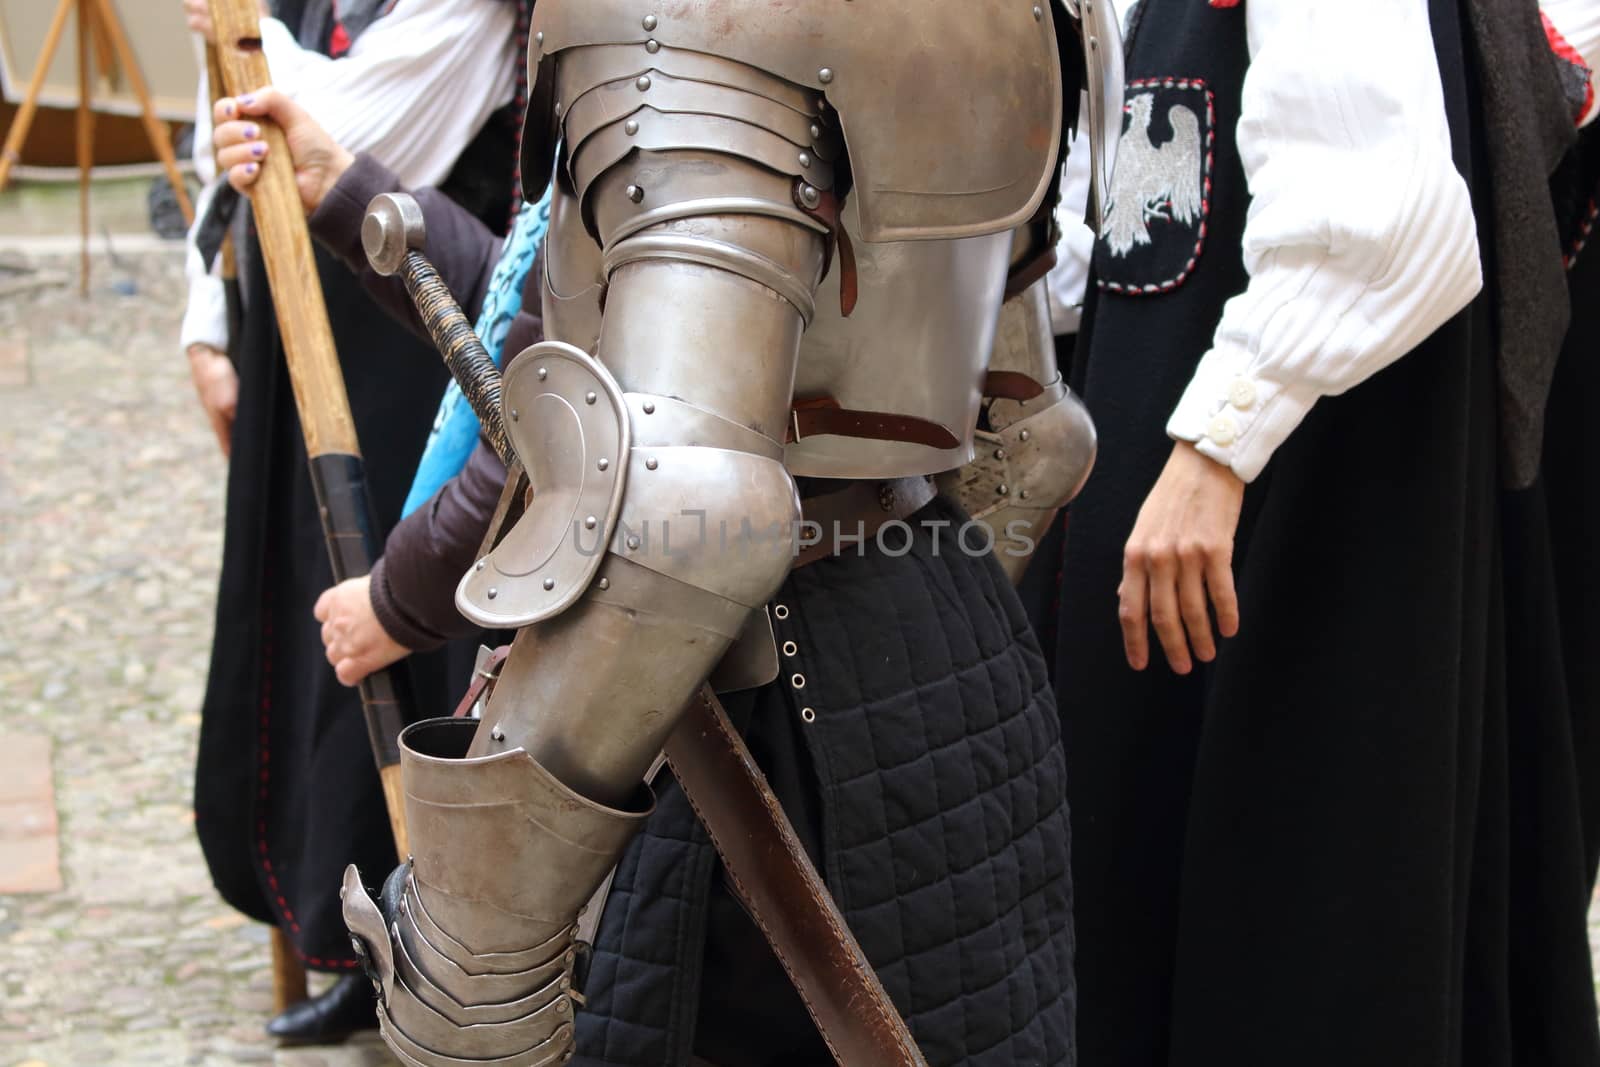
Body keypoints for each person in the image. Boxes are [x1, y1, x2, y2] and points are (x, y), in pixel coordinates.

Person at [209, 3, 1117, 1062]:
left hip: (730, 701)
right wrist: (901, 640)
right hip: (950, 659)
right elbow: (1031, 435)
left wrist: (469, 970)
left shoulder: (690, 15)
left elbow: (685, 511)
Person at [1055, 0, 1600, 1063]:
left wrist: (1217, 449)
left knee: (1292, 892)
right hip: (1159, 440)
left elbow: (1383, 208)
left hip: (1289, 488)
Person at [179, 0, 520, 1044]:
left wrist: (238, 27)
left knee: (410, 635)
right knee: (303, 614)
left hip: (419, 341)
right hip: (287, 315)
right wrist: (203, 320)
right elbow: (223, 151)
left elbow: (353, 138)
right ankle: (338, 931)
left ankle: (424, 947)